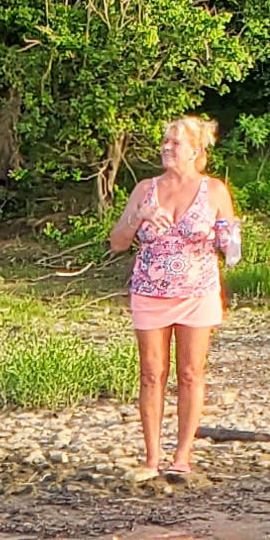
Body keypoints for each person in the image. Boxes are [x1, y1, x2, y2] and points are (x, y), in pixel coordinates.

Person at [107, 115, 243, 480]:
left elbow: (232, 249)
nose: (167, 148)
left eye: (175, 143)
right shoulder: (145, 189)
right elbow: (117, 243)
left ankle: (182, 457)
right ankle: (151, 459)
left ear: (196, 150)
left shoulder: (214, 190)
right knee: (151, 373)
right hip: (149, 292)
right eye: (165, 142)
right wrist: (139, 216)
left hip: (198, 293)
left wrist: (228, 237)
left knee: (190, 372)